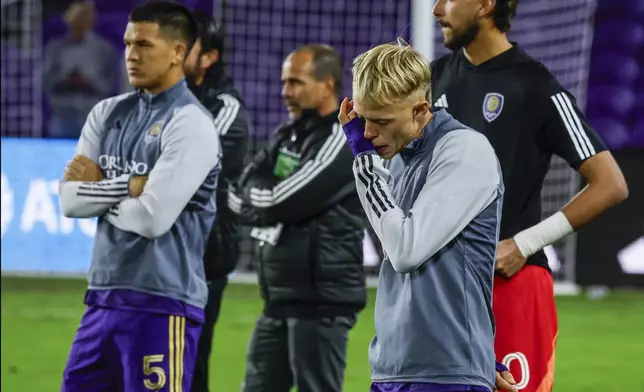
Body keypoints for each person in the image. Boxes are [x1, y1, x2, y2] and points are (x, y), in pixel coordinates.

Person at [430, 1, 629, 391]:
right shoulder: (434, 78)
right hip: (445, 283)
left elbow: (610, 183)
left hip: (511, 284)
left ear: (485, 5)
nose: (437, 9)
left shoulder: (535, 85)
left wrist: (525, 243)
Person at [57, 2, 221, 391]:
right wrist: (130, 184)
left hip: (162, 304)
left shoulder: (191, 123)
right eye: (128, 43)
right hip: (102, 296)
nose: (131, 54)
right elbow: (69, 202)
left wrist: (99, 187)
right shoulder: (106, 112)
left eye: (145, 44)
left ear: (179, 53)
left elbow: (152, 220)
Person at [340, 40, 516, 392]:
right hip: (394, 368)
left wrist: (363, 161)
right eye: (362, 119)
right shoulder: (398, 155)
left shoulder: (465, 150)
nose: (368, 133)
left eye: (381, 121)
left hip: (443, 375)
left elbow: (405, 252)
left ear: (420, 111)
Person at [228, 44, 367, 392]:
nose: (285, 91)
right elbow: (248, 186)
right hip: (279, 295)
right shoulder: (287, 133)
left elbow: (281, 201)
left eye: (296, 82)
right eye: (284, 82)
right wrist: (263, 199)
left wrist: (262, 199)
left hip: (321, 299)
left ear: (328, 84)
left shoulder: (341, 138)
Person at [184, 11, 250, 392]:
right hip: (164, 250)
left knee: (190, 360)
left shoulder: (225, 107)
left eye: (184, 46)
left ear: (208, 58)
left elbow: (192, 167)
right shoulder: (159, 98)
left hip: (205, 252)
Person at [42, 1, 117, 139]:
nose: (80, 22)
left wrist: (88, 81)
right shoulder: (55, 48)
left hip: (91, 116)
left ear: (92, 20)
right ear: (68, 19)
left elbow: (109, 86)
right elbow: (45, 82)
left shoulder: (104, 49)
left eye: (84, 17)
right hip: (61, 115)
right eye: (77, 17)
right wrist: (64, 79)